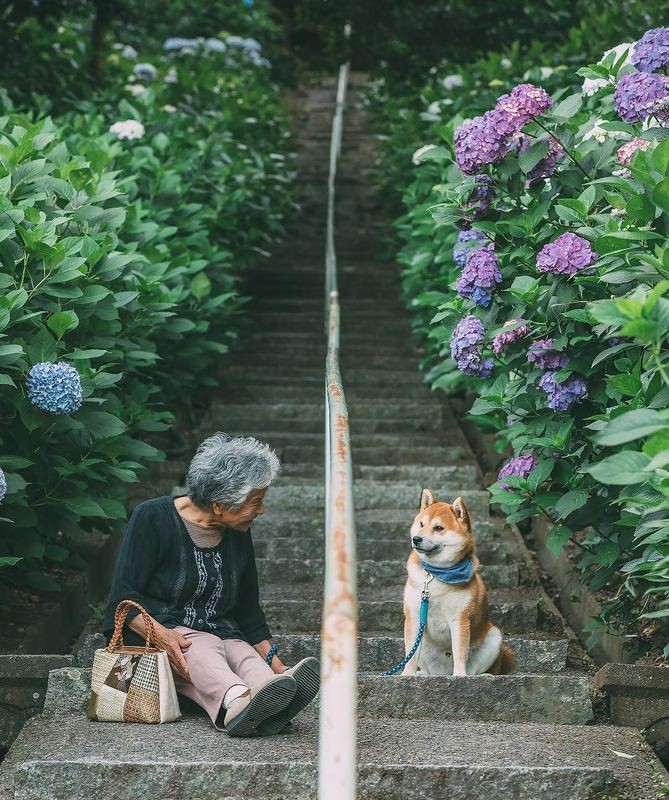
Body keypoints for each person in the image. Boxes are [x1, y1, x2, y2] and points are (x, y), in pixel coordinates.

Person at [103, 431, 319, 736]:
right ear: (220, 505)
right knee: (202, 647)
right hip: (163, 635)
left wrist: (277, 664)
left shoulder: (238, 531)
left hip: (221, 632)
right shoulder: (152, 517)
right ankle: (236, 703)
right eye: (256, 502)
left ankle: (271, 692)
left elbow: (248, 611)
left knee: (239, 651)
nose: (261, 510)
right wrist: (163, 635)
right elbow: (121, 598)